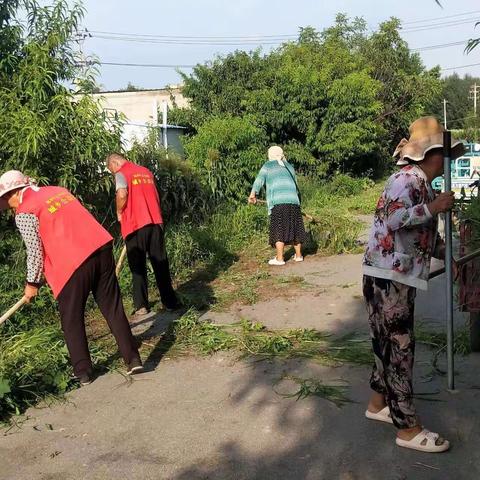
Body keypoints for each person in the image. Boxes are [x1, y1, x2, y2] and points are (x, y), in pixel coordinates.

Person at [362, 116, 464, 453]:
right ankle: (407, 429)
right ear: (433, 155)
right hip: (387, 279)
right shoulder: (405, 181)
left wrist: (445, 254)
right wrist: (433, 207)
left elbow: (423, 235)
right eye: (445, 155)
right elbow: (393, 220)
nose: (447, 161)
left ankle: (378, 404)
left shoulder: (422, 184)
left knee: (387, 345)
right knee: (399, 349)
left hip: (394, 277)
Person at [0, 170, 143, 385]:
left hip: (72, 262)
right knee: (112, 307)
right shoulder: (58, 191)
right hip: (100, 249)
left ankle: (83, 371)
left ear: (10, 193)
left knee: (71, 318)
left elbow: (35, 251)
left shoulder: (25, 210)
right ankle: (133, 359)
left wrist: (32, 283)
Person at [106, 153, 179, 316]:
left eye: (111, 170)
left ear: (115, 163)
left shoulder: (121, 173)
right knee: (160, 263)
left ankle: (141, 306)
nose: (113, 173)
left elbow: (122, 194)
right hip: (155, 222)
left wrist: (119, 211)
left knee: (138, 267)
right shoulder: (146, 171)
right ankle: (170, 302)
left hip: (135, 225)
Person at [248, 146, 306, 266]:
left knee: (279, 228)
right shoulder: (289, 166)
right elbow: (296, 186)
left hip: (278, 201)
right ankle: (299, 256)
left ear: (270, 155)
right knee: (295, 227)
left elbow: (259, 180)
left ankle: (280, 259)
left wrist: (253, 194)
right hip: (293, 201)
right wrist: (297, 202)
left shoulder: (268, 166)